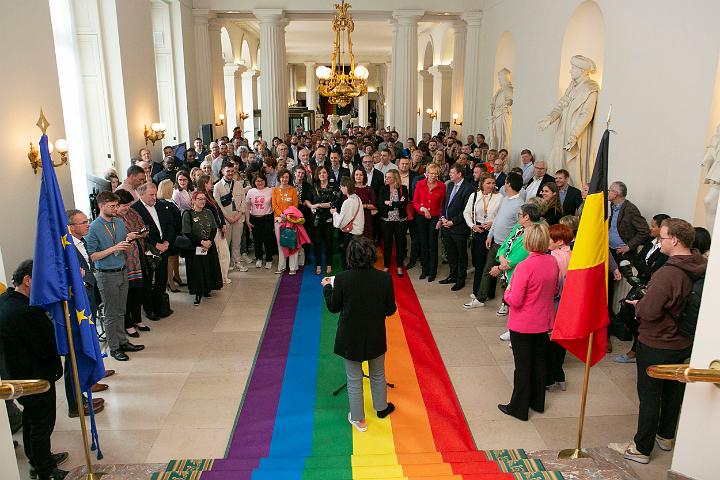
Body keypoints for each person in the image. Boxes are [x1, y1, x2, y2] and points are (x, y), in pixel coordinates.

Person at [610, 218, 707, 464]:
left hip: (658, 342)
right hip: (682, 341)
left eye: (661, 237)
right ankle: (665, 436)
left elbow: (650, 311)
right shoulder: (700, 264)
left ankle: (640, 448)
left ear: (674, 240)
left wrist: (638, 305)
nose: (657, 241)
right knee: (673, 391)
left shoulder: (669, 272)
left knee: (650, 395)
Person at [0, 260, 68, 480]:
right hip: (34, 377)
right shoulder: (24, 311)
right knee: (41, 424)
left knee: (30, 419)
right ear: (27, 281)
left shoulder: (6, 300)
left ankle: (37, 459)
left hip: (19, 376)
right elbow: (44, 345)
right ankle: (44, 469)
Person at [322, 236, 397, 432]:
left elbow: (333, 307)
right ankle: (381, 408)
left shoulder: (342, 279)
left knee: (354, 379)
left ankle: (359, 420)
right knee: (378, 373)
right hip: (375, 335)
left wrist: (327, 288)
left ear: (350, 256)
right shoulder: (384, 278)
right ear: (372, 254)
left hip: (350, 337)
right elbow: (390, 310)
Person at [498, 224, 559, 421]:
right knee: (539, 363)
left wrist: (507, 291)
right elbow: (555, 289)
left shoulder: (525, 266)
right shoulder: (551, 261)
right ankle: (537, 402)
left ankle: (519, 408)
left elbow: (514, 300)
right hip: (543, 321)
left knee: (522, 366)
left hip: (523, 323)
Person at [86, 192, 144, 361]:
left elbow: (119, 241)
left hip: (122, 269)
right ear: (101, 206)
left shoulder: (118, 222)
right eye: (112, 206)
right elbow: (92, 256)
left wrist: (128, 238)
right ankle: (114, 347)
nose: (116, 209)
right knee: (111, 313)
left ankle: (123, 341)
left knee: (121, 310)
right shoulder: (94, 228)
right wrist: (114, 248)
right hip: (106, 274)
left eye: (116, 206)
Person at [467, 173, 524, 309]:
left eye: (505, 182)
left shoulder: (519, 204)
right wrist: (490, 235)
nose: (503, 184)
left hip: (508, 247)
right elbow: (498, 218)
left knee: (506, 276)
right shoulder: (506, 199)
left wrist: (509, 244)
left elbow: (520, 227)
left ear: (509, 184)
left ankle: (506, 304)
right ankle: (480, 298)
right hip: (496, 243)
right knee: (488, 270)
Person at [132, 182, 176, 320]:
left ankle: (160, 306)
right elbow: (139, 232)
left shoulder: (161, 205)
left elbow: (171, 224)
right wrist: (156, 245)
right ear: (142, 194)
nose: (154, 197)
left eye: (155, 194)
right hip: (148, 251)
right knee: (148, 280)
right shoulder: (135, 210)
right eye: (151, 195)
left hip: (164, 248)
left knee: (162, 279)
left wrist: (167, 242)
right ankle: (149, 309)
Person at [491, 203, 542, 317]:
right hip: (507, 267)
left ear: (527, 217)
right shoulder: (518, 227)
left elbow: (521, 256)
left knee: (520, 301)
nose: (517, 216)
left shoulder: (534, 232)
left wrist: (500, 267)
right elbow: (505, 244)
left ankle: (516, 329)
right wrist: (502, 257)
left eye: (519, 214)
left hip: (520, 270)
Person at [114, 190, 151, 338]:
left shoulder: (132, 213)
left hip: (138, 256)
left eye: (128, 205)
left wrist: (142, 232)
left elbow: (142, 225)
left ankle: (137, 318)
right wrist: (128, 236)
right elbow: (115, 239)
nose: (126, 208)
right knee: (127, 293)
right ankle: (128, 323)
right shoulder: (113, 219)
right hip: (124, 259)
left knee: (138, 290)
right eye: (124, 205)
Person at [463, 174, 502, 307]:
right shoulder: (475, 195)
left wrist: (492, 223)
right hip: (478, 231)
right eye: (488, 183)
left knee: (491, 263)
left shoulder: (499, 197)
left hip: (493, 232)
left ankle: (489, 292)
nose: (491, 186)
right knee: (479, 262)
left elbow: (501, 215)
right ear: (482, 184)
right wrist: (472, 225)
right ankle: (477, 290)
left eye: (493, 183)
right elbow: (466, 212)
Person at [182, 191, 223, 305]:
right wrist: (201, 242)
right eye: (199, 199)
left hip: (209, 245)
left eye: (204, 199)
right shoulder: (188, 214)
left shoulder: (208, 212)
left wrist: (209, 241)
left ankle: (206, 289)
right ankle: (197, 293)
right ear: (193, 200)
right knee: (197, 270)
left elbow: (214, 228)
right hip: (195, 247)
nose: (202, 201)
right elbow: (187, 232)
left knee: (209, 267)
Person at [546, 224, 573, 392]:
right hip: (567, 303)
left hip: (555, 302)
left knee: (549, 342)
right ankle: (559, 376)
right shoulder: (571, 254)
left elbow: (553, 286)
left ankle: (549, 379)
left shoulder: (555, 257)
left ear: (560, 241)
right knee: (560, 342)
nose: (547, 241)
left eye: (550, 238)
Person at [438, 164, 474, 291]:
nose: (449, 174)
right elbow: (445, 204)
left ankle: (460, 279)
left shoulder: (468, 188)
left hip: (459, 228)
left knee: (461, 255)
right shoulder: (450, 185)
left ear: (459, 174)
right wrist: (442, 218)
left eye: (452, 172)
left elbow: (466, 210)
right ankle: (452, 275)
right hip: (447, 226)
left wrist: (453, 222)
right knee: (451, 254)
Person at [413, 163, 446, 282]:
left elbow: (443, 205)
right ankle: (424, 270)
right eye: (431, 173)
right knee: (423, 243)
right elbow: (415, 202)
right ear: (426, 173)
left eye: (435, 173)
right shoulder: (419, 184)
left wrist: (440, 219)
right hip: (421, 217)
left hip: (435, 218)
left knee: (432, 244)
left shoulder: (442, 186)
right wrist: (423, 209)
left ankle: (432, 272)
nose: (433, 175)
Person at [213, 162, 249, 273]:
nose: (230, 173)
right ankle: (226, 264)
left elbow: (244, 201)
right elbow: (217, 205)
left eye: (232, 171)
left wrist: (238, 215)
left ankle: (237, 262)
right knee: (225, 243)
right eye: (228, 171)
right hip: (226, 220)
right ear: (222, 171)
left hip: (238, 218)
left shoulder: (238, 184)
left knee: (237, 243)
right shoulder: (217, 186)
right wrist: (228, 217)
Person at [378, 169, 409, 276]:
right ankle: (386, 265)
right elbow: (381, 206)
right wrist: (397, 204)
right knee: (387, 244)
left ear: (395, 178)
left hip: (400, 221)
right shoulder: (383, 189)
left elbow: (404, 204)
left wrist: (390, 203)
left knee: (400, 244)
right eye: (386, 177)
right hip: (387, 221)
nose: (386, 179)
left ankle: (399, 266)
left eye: (389, 177)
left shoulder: (403, 189)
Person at [310, 166, 340, 275]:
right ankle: (318, 265)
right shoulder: (314, 187)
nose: (322, 174)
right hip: (316, 220)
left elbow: (333, 203)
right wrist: (311, 206)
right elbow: (308, 200)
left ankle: (329, 264)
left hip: (328, 219)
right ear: (317, 175)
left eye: (324, 172)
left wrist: (318, 204)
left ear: (328, 174)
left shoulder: (334, 187)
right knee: (317, 243)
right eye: (320, 173)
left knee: (328, 243)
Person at [157, 179, 185, 293]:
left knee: (175, 257)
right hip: (171, 235)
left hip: (177, 233)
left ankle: (177, 276)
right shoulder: (164, 203)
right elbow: (169, 222)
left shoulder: (171, 201)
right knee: (170, 259)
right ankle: (170, 282)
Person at [332, 176, 365, 270]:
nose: (340, 188)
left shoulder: (348, 202)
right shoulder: (357, 198)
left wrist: (334, 213)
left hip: (352, 234)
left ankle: (347, 280)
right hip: (359, 233)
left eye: (341, 186)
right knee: (356, 259)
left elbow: (340, 223)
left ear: (346, 187)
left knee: (346, 258)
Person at [272, 169, 299, 274]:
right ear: (279, 178)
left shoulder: (293, 190)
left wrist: (287, 215)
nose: (284, 179)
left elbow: (295, 205)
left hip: (291, 219)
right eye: (282, 177)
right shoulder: (274, 190)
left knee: (292, 243)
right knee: (281, 244)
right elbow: (274, 205)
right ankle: (281, 267)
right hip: (278, 220)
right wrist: (281, 215)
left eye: (286, 177)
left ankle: (293, 268)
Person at [246, 173, 275, 270]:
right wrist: (247, 220)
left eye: (262, 180)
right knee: (257, 240)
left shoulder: (270, 190)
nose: (260, 183)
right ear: (254, 182)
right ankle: (258, 258)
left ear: (265, 181)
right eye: (257, 181)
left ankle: (269, 259)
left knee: (268, 240)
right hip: (254, 218)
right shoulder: (250, 192)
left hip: (267, 218)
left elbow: (274, 205)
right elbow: (247, 207)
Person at [352, 167, 377, 239]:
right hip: (353, 219)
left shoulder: (369, 189)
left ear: (364, 176)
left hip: (366, 219)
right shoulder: (350, 189)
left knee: (366, 241)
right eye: (356, 175)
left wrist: (364, 206)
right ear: (353, 176)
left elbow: (375, 205)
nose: (358, 177)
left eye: (361, 175)